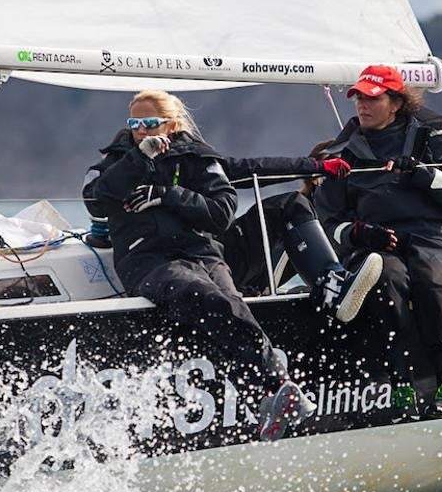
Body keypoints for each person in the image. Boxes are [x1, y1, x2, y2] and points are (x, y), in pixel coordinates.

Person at [82, 90, 315, 441]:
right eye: (135, 124)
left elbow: (221, 212)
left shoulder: (197, 158)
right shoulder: (115, 161)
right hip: (148, 260)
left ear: (172, 124)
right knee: (208, 299)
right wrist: (137, 160)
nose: (142, 131)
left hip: (203, 253)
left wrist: (168, 195)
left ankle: (276, 390)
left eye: (150, 123)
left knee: (232, 302)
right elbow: (95, 201)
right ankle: (275, 386)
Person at [313, 65, 442, 418]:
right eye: (358, 97)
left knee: (431, 278)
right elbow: (328, 220)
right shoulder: (342, 154)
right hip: (376, 242)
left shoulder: (431, 140)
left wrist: (423, 175)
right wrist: (356, 233)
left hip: (430, 235)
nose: (362, 105)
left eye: (372, 98)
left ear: (396, 102)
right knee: (387, 282)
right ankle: (400, 382)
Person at [221, 146, 384, 323]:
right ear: (316, 181)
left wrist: (315, 166)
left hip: (224, 255)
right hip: (205, 262)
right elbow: (249, 168)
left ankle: (333, 285)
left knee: (292, 206)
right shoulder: (195, 162)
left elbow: (253, 167)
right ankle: (330, 288)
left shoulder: (203, 159)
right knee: (293, 207)